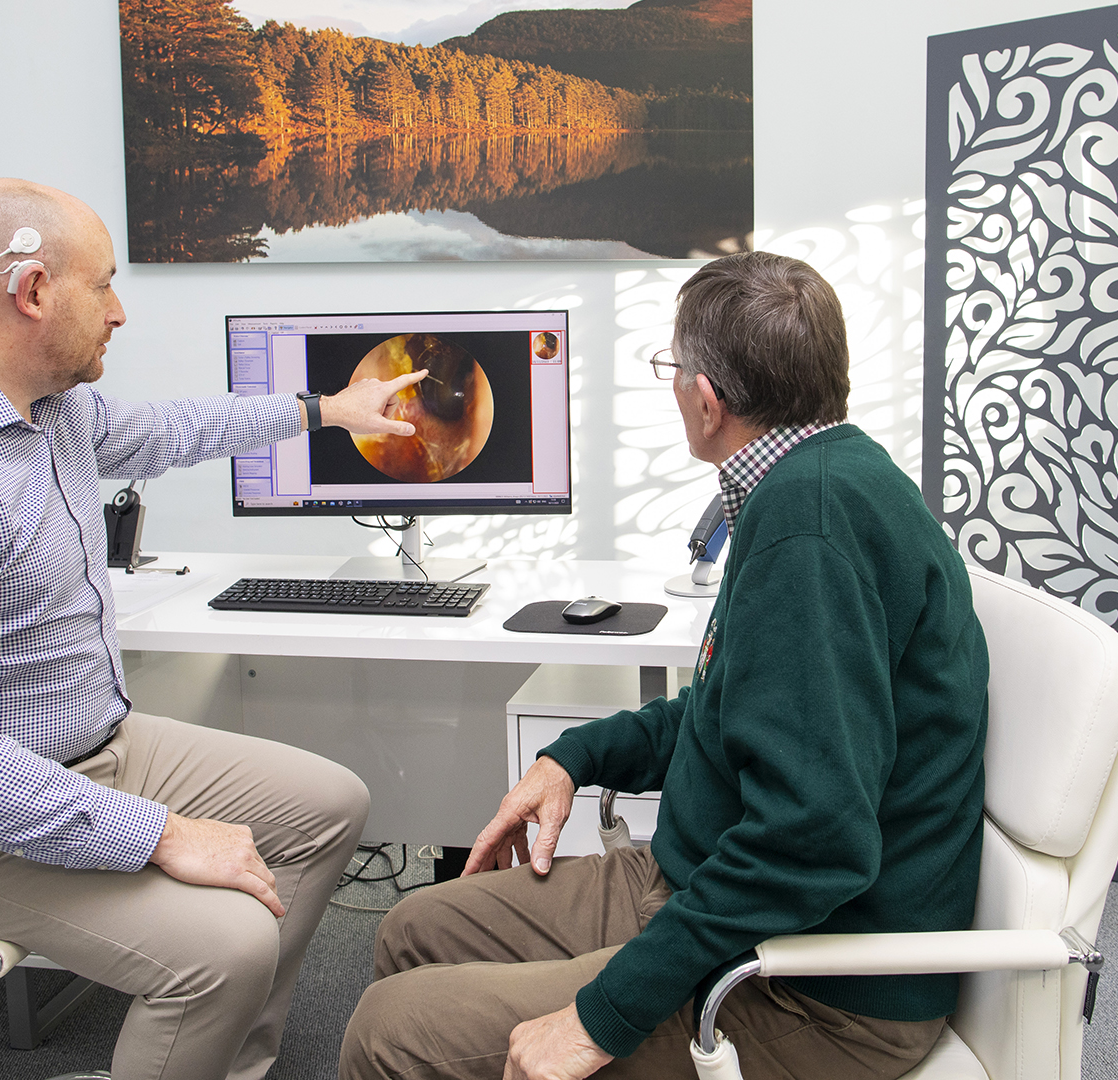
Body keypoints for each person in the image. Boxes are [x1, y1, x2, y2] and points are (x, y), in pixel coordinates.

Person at [0, 178, 425, 1080]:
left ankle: (218, 1063)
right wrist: (161, 834)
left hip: (87, 748)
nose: (119, 312)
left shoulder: (42, 405)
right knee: (226, 947)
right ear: (33, 291)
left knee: (329, 806)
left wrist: (323, 411)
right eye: (104, 286)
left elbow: (163, 432)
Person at [340, 252, 990, 1080]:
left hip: (810, 985)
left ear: (708, 400)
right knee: (413, 929)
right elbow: (731, 711)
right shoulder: (817, 480)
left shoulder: (812, 527)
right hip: (705, 885)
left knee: (386, 1031)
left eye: (672, 368)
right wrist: (572, 758)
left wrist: (599, 1019)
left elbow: (814, 844)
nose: (674, 385)